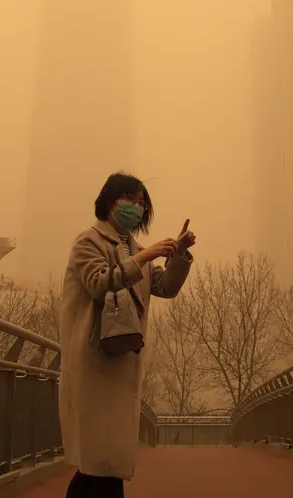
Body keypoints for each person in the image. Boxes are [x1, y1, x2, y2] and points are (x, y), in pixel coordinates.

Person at [57, 172, 196, 498]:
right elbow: (99, 282)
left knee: (107, 463)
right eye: (130, 200)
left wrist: (177, 256)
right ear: (109, 202)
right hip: (94, 363)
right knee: (99, 462)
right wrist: (145, 256)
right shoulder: (87, 242)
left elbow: (166, 287)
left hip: (123, 362)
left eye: (141, 202)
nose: (136, 207)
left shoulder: (136, 250)